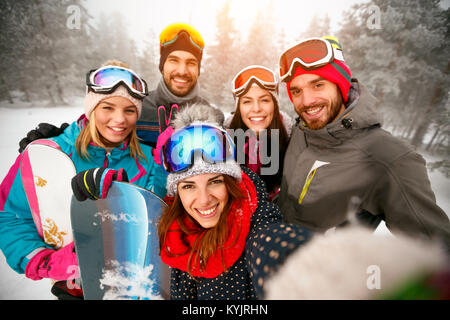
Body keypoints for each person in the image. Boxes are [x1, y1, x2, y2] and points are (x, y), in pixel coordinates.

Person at [0, 61, 167, 299]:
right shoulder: (48, 154)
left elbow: (156, 224)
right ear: (91, 107)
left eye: (129, 110)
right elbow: (10, 216)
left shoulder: (149, 160)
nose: (119, 119)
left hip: (131, 289)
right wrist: (47, 262)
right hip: (72, 289)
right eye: (108, 107)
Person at [276, 36, 450, 245]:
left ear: (340, 85)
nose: (306, 101)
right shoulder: (302, 131)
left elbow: (437, 253)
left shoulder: (388, 158)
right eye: (296, 91)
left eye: (318, 85)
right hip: (271, 264)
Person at [156, 103, 313, 299]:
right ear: (176, 193)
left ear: (231, 183)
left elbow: (270, 240)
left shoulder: (253, 218)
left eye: (214, 182)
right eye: (189, 186)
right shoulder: (175, 232)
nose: (204, 200)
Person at [18, 23, 210, 152]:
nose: (182, 70)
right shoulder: (136, 106)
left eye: (191, 63)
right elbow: (100, 131)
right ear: (162, 65)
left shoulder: (212, 116)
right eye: (174, 60)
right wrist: (61, 142)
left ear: (199, 69)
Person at [225, 65, 293, 200]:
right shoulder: (222, 143)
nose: (256, 109)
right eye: (247, 101)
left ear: (274, 104)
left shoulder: (292, 140)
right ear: (239, 108)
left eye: (264, 100)